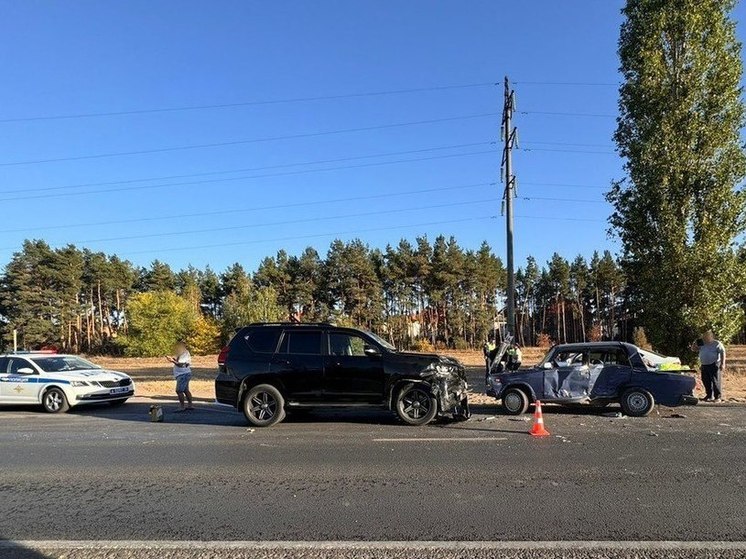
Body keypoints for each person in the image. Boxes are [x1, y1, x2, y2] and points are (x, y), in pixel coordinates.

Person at [691, 330, 726, 403]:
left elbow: (723, 353)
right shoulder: (701, 343)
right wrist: (695, 343)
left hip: (714, 364)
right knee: (705, 380)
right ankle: (709, 396)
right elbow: (693, 349)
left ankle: (718, 397)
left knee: (715, 381)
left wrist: (723, 364)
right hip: (704, 365)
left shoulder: (717, 343)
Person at [167, 341, 193, 412]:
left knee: (179, 390)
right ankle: (190, 405)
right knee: (185, 390)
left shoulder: (184, 353)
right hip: (184, 373)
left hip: (183, 374)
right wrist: (174, 359)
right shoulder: (181, 353)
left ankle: (182, 406)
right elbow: (180, 362)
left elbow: (181, 365)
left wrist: (172, 361)